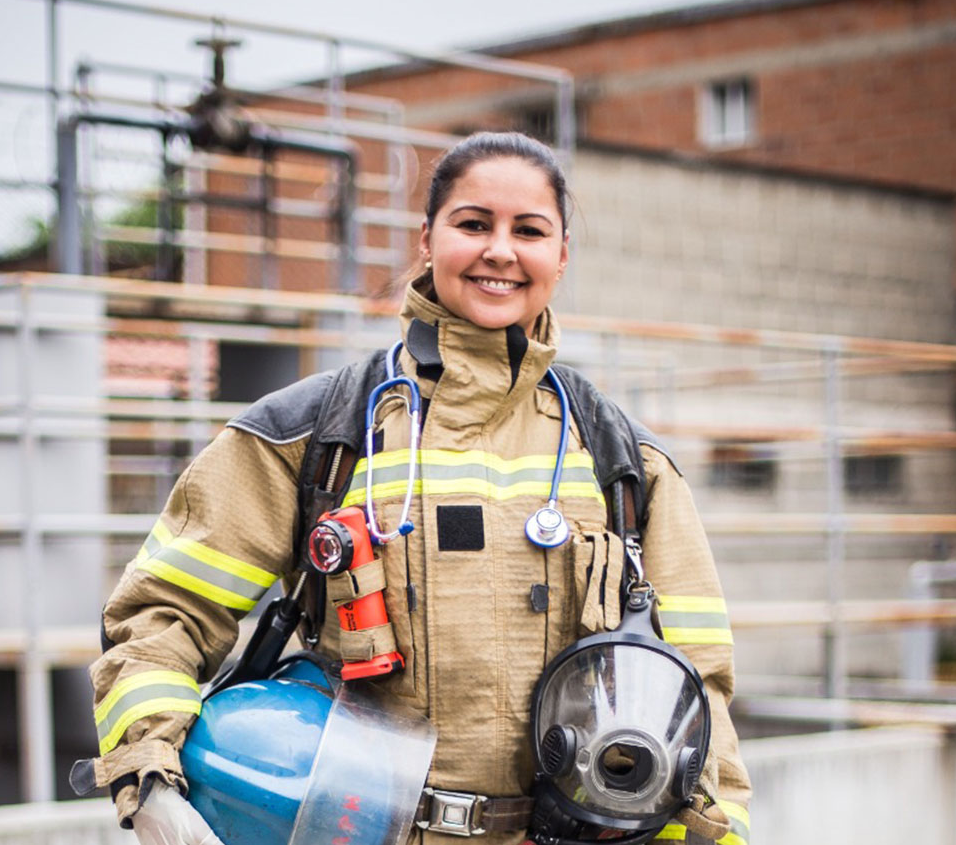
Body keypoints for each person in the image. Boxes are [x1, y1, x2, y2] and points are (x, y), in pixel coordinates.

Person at [82, 131, 752, 845]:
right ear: (427, 239)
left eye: (529, 230)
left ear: (560, 257)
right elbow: (162, 615)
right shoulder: (309, 435)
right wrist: (152, 780)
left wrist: (718, 833)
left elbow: (697, 692)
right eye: (473, 224)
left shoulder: (626, 462)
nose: (500, 250)